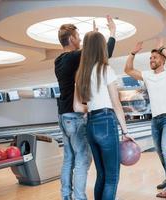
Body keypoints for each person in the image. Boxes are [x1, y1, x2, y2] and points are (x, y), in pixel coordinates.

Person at [54, 16, 116, 200]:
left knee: (68, 159)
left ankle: (66, 196)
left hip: (63, 115)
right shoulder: (74, 57)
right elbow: (105, 53)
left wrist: (93, 36)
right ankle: (79, 197)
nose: (80, 40)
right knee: (82, 160)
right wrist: (111, 33)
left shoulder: (58, 60)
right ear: (72, 39)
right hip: (75, 115)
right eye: (78, 36)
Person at [75, 31, 131, 200]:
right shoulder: (106, 69)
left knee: (101, 175)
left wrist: (93, 109)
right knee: (112, 178)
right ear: (101, 48)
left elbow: (78, 107)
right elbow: (116, 104)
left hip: (91, 123)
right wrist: (126, 132)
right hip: (106, 122)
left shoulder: (81, 73)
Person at [124, 39, 166, 199]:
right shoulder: (147, 75)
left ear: (162, 60)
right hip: (155, 120)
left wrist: (162, 49)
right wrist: (133, 53)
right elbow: (128, 69)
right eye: (150, 58)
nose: (151, 60)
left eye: (154, 58)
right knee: (161, 152)